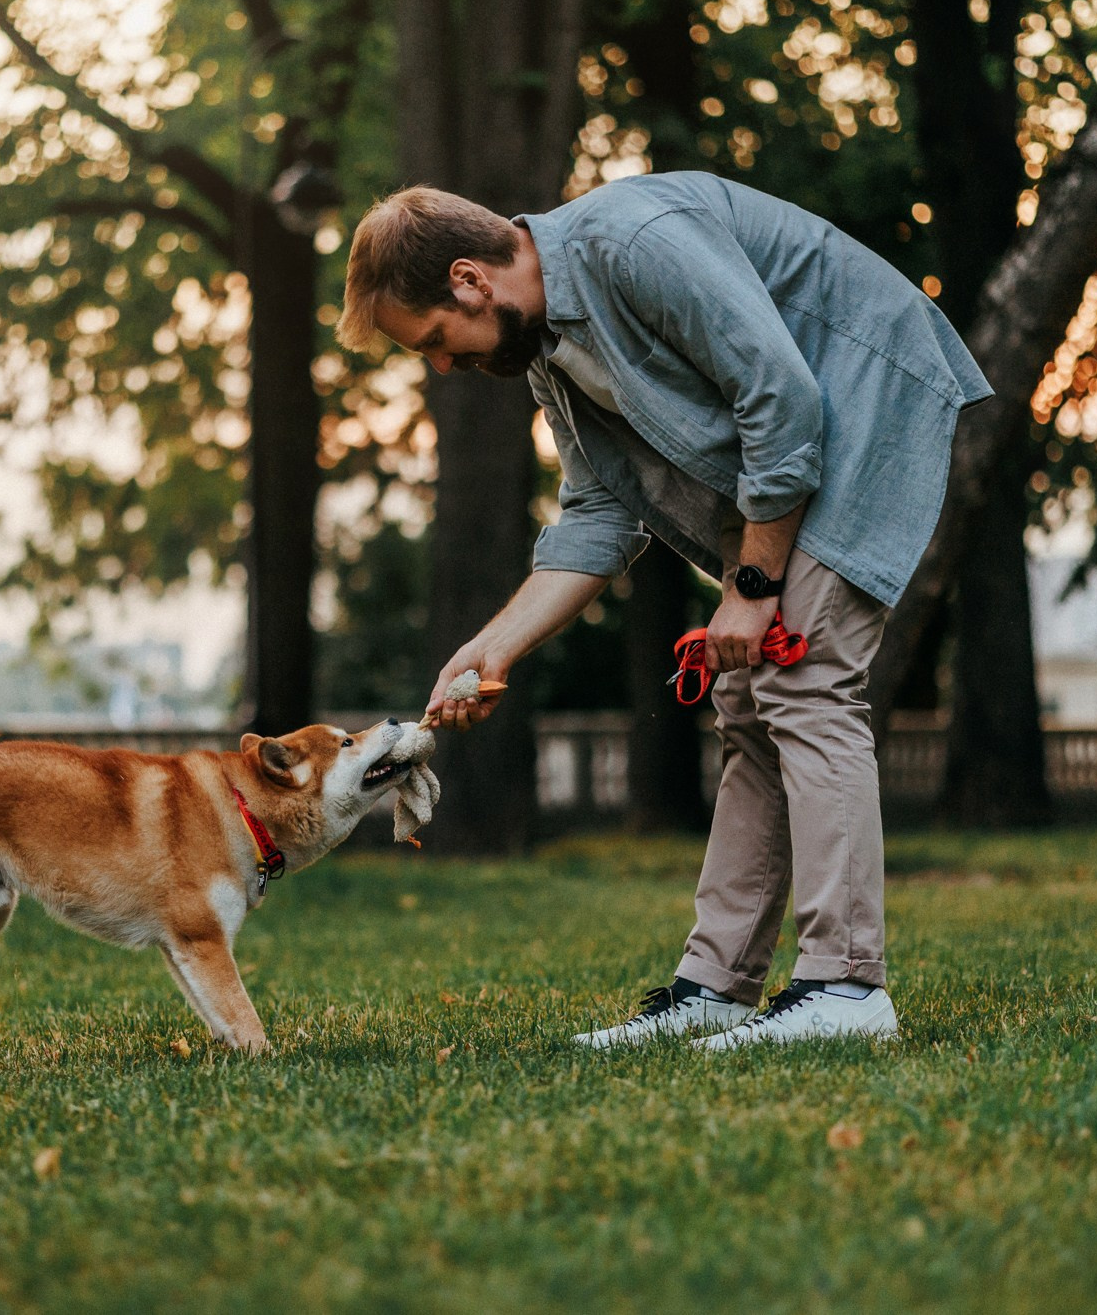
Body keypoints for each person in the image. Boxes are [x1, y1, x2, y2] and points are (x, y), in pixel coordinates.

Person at [335, 173, 992, 1049]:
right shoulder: (549, 355)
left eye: (437, 342)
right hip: (796, 445)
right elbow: (600, 514)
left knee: (802, 678)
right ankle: (715, 987)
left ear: (469, 279)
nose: (447, 366)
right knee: (747, 704)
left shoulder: (635, 242)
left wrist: (753, 590)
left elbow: (782, 397)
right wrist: (491, 648)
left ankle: (847, 987)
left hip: (862, 398)